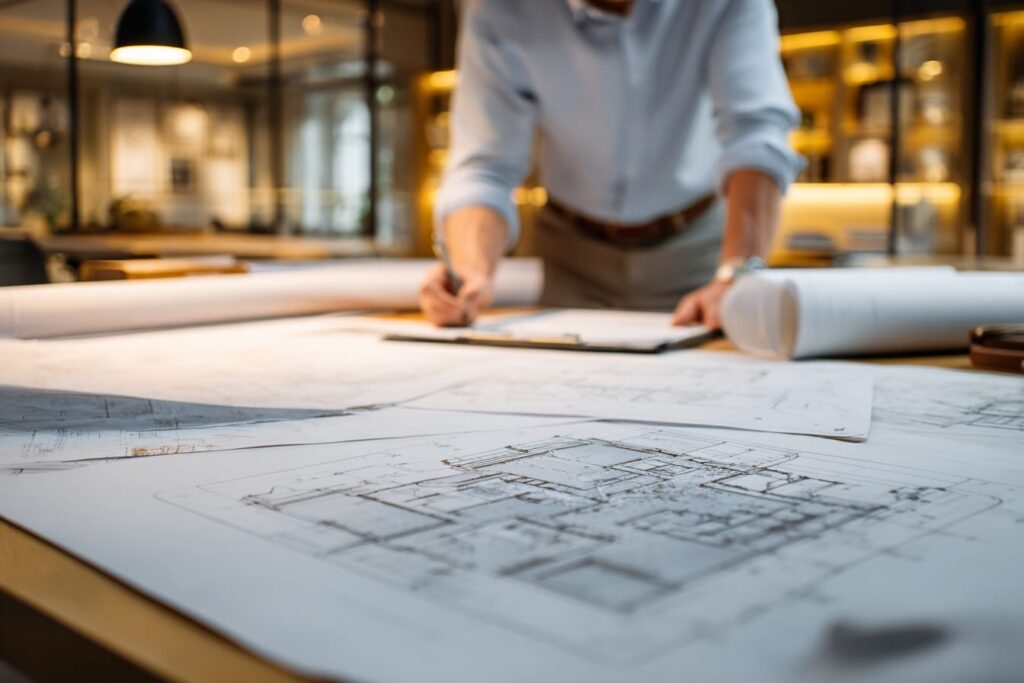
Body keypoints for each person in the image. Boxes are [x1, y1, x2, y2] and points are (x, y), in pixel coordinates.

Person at [419, 0, 803, 329]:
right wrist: (471, 269)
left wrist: (736, 273)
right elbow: (486, 166)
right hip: (572, 255)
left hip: (699, 254)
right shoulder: (500, 8)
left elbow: (755, 133)